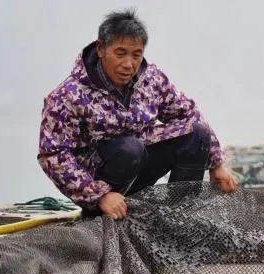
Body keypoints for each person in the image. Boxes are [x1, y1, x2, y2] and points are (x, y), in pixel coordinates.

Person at [37, 8, 237, 220]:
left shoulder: (152, 79)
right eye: (120, 53)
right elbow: (54, 155)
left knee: (197, 132)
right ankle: (103, 213)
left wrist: (216, 163)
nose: (128, 64)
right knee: (130, 149)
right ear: (101, 48)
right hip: (101, 179)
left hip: (140, 164)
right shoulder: (67, 96)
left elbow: (188, 113)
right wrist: (98, 195)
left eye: (136, 54)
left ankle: (181, 218)